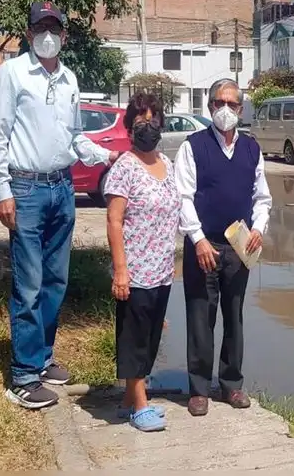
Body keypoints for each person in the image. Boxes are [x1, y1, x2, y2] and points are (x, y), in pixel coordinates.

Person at [0, 1, 120, 409]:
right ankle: (23, 376)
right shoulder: (12, 73)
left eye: (54, 27)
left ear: (64, 35)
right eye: (40, 26)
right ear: (29, 34)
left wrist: (105, 156)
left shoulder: (69, 79)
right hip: (25, 190)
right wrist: (3, 190)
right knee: (28, 284)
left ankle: (42, 358)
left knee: (55, 281)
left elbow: (75, 137)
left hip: (62, 189)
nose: (47, 34)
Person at [173, 78, 273, 417]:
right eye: (219, 103)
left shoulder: (251, 149)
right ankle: (199, 389)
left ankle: (231, 384)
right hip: (204, 244)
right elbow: (183, 197)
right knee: (201, 314)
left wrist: (259, 228)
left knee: (235, 313)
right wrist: (197, 239)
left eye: (232, 104)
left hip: (239, 245)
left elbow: (262, 197)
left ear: (241, 109)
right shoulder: (193, 146)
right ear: (210, 107)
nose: (225, 110)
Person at [103, 92, 179, 432]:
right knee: (133, 337)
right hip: (134, 269)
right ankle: (140, 406)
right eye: (139, 122)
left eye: (153, 120)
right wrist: (120, 269)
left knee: (149, 337)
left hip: (161, 270)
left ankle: (127, 401)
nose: (148, 127)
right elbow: (114, 221)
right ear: (129, 127)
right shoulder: (124, 167)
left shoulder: (168, 164)